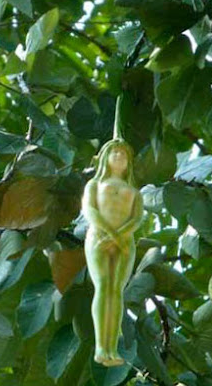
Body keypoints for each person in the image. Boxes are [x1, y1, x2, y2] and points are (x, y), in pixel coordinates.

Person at [82, 138, 143, 366]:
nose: (119, 156)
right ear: (105, 158)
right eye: (114, 153)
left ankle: (112, 348)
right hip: (98, 238)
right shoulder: (95, 185)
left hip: (125, 243)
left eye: (123, 154)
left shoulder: (134, 191)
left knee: (116, 290)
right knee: (103, 286)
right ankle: (101, 346)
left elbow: (136, 219)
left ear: (129, 163)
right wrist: (109, 234)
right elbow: (90, 211)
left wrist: (119, 237)